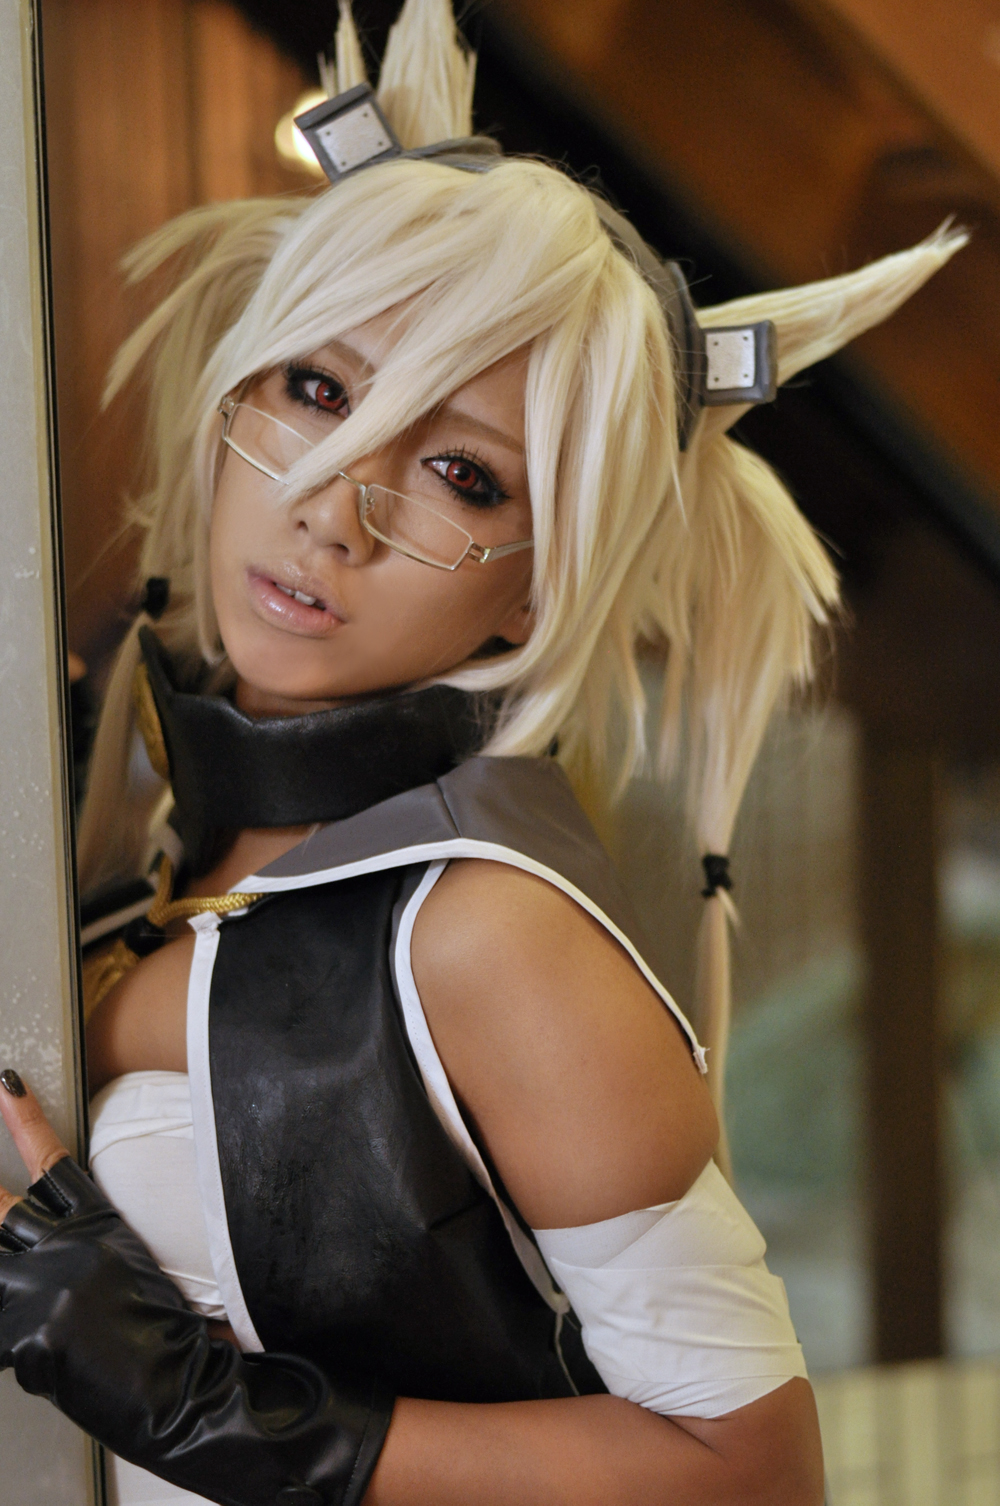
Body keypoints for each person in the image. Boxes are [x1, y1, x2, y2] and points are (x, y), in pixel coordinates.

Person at [0, 2, 963, 1503]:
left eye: (460, 473)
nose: (336, 507)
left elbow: (753, 1472)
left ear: (537, 584)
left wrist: (211, 1412)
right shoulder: (133, 796)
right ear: (236, 389)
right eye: (317, 389)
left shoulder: (492, 935)